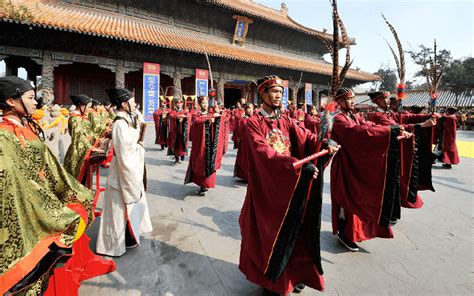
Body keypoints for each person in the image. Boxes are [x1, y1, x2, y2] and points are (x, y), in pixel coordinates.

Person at [239, 76, 338, 296]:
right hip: (268, 185)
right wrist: (295, 167)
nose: (278, 96)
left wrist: (323, 143)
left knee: (295, 227)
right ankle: (271, 280)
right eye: (273, 91)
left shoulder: (285, 120)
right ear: (263, 94)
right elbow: (263, 153)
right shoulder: (253, 122)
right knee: (269, 232)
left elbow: (305, 136)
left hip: (290, 182)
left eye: (280, 92)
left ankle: (293, 274)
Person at [0, 76, 93, 294]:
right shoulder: (4, 138)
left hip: (40, 200)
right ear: (11, 101)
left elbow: (50, 168)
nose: (37, 103)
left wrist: (72, 192)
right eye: (31, 98)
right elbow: (14, 184)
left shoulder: (24, 128)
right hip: (27, 213)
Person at [330, 87, 426, 252]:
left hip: (357, 162)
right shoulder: (338, 119)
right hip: (345, 164)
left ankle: (356, 232)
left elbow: (368, 125)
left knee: (360, 197)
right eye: (349, 99)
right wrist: (389, 130)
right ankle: (345, 233)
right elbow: (358, 132)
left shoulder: (353, 115)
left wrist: (397, 130)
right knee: (349, 199)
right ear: (340, 102)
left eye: (353, 99)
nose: (353, 102)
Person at [96, 87, 152, 257]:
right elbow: (125, 155)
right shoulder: (120, 124)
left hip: (129, 170)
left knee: (128, 209)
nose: (135, 103)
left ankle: (129, 235)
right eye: (133, 101)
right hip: (123, 172)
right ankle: (114, 244)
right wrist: (140, 146)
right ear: (123, 104)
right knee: (118, 211)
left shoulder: (128, 118)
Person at [366, 91, 438, 209]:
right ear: (377, 101)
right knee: (390, 182)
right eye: (385, 99)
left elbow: (407, 117)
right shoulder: (377, 115)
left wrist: (426, 116)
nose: (388, 101)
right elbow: (394, 128)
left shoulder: (388, 113)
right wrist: (422, 125)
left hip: (394, 150)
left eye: (388, 98)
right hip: (385, 153)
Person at [185, 96, 224, 196]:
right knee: (201, 162)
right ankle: (202, 185)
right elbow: (196, 122)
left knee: (210, 162)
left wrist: (217, 117)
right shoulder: (196, 114)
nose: (205, 105)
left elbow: (222, 119)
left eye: (206, 103)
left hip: (210, 142)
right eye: (203, 103)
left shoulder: (211, 114)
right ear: (200, 104)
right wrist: (206, 121)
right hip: (200, 144)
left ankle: (206, 184)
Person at [63, 94, 97, 182]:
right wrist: (91, 148)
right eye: (88, 107)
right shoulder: (75, 119)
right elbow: (79, 137)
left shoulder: (81, 118)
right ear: (81, 106)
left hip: (84, 148)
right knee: (77, 176)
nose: (89, 109)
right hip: (78, 150)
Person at [233, 103, 254, 181]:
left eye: (252, 108)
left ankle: (251, 175)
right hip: (245, 141)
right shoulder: (243, 119)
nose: (251, 110)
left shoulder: (256, 118)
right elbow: (239, 130)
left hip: (253, 141)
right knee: (244, 158)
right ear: (245, 110)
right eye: (249, 108)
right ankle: (245, 175)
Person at [167, 97, 191, 164]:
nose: (178, 104)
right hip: (175, 131)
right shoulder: (173, 111)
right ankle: (177, 158)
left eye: (180, 103)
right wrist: (177, 117)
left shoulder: (185, 111)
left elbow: (189, 116)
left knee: (183, 143)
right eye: (177, 103)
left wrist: (184, 117)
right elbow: (171, 115)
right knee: (176, 145)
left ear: (182, 104)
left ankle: (182, 154)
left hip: (183, 131)